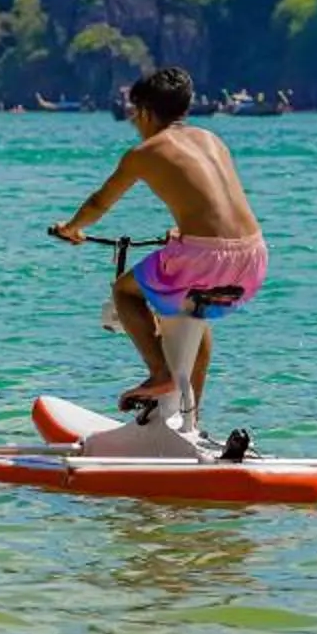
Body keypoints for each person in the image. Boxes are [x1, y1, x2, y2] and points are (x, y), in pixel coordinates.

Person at [48, 66, 268, 409]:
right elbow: (218, 209)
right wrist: (185, 235)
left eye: (135, 114)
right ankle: (190, 414)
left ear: (147, 112)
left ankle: (161, 372)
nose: (134, 123)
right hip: (253, 257)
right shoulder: (212, 140)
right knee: (195, 311)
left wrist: (72, 229)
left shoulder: (145, 153)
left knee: (124, 291)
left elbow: (99, 203)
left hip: (204, 257)